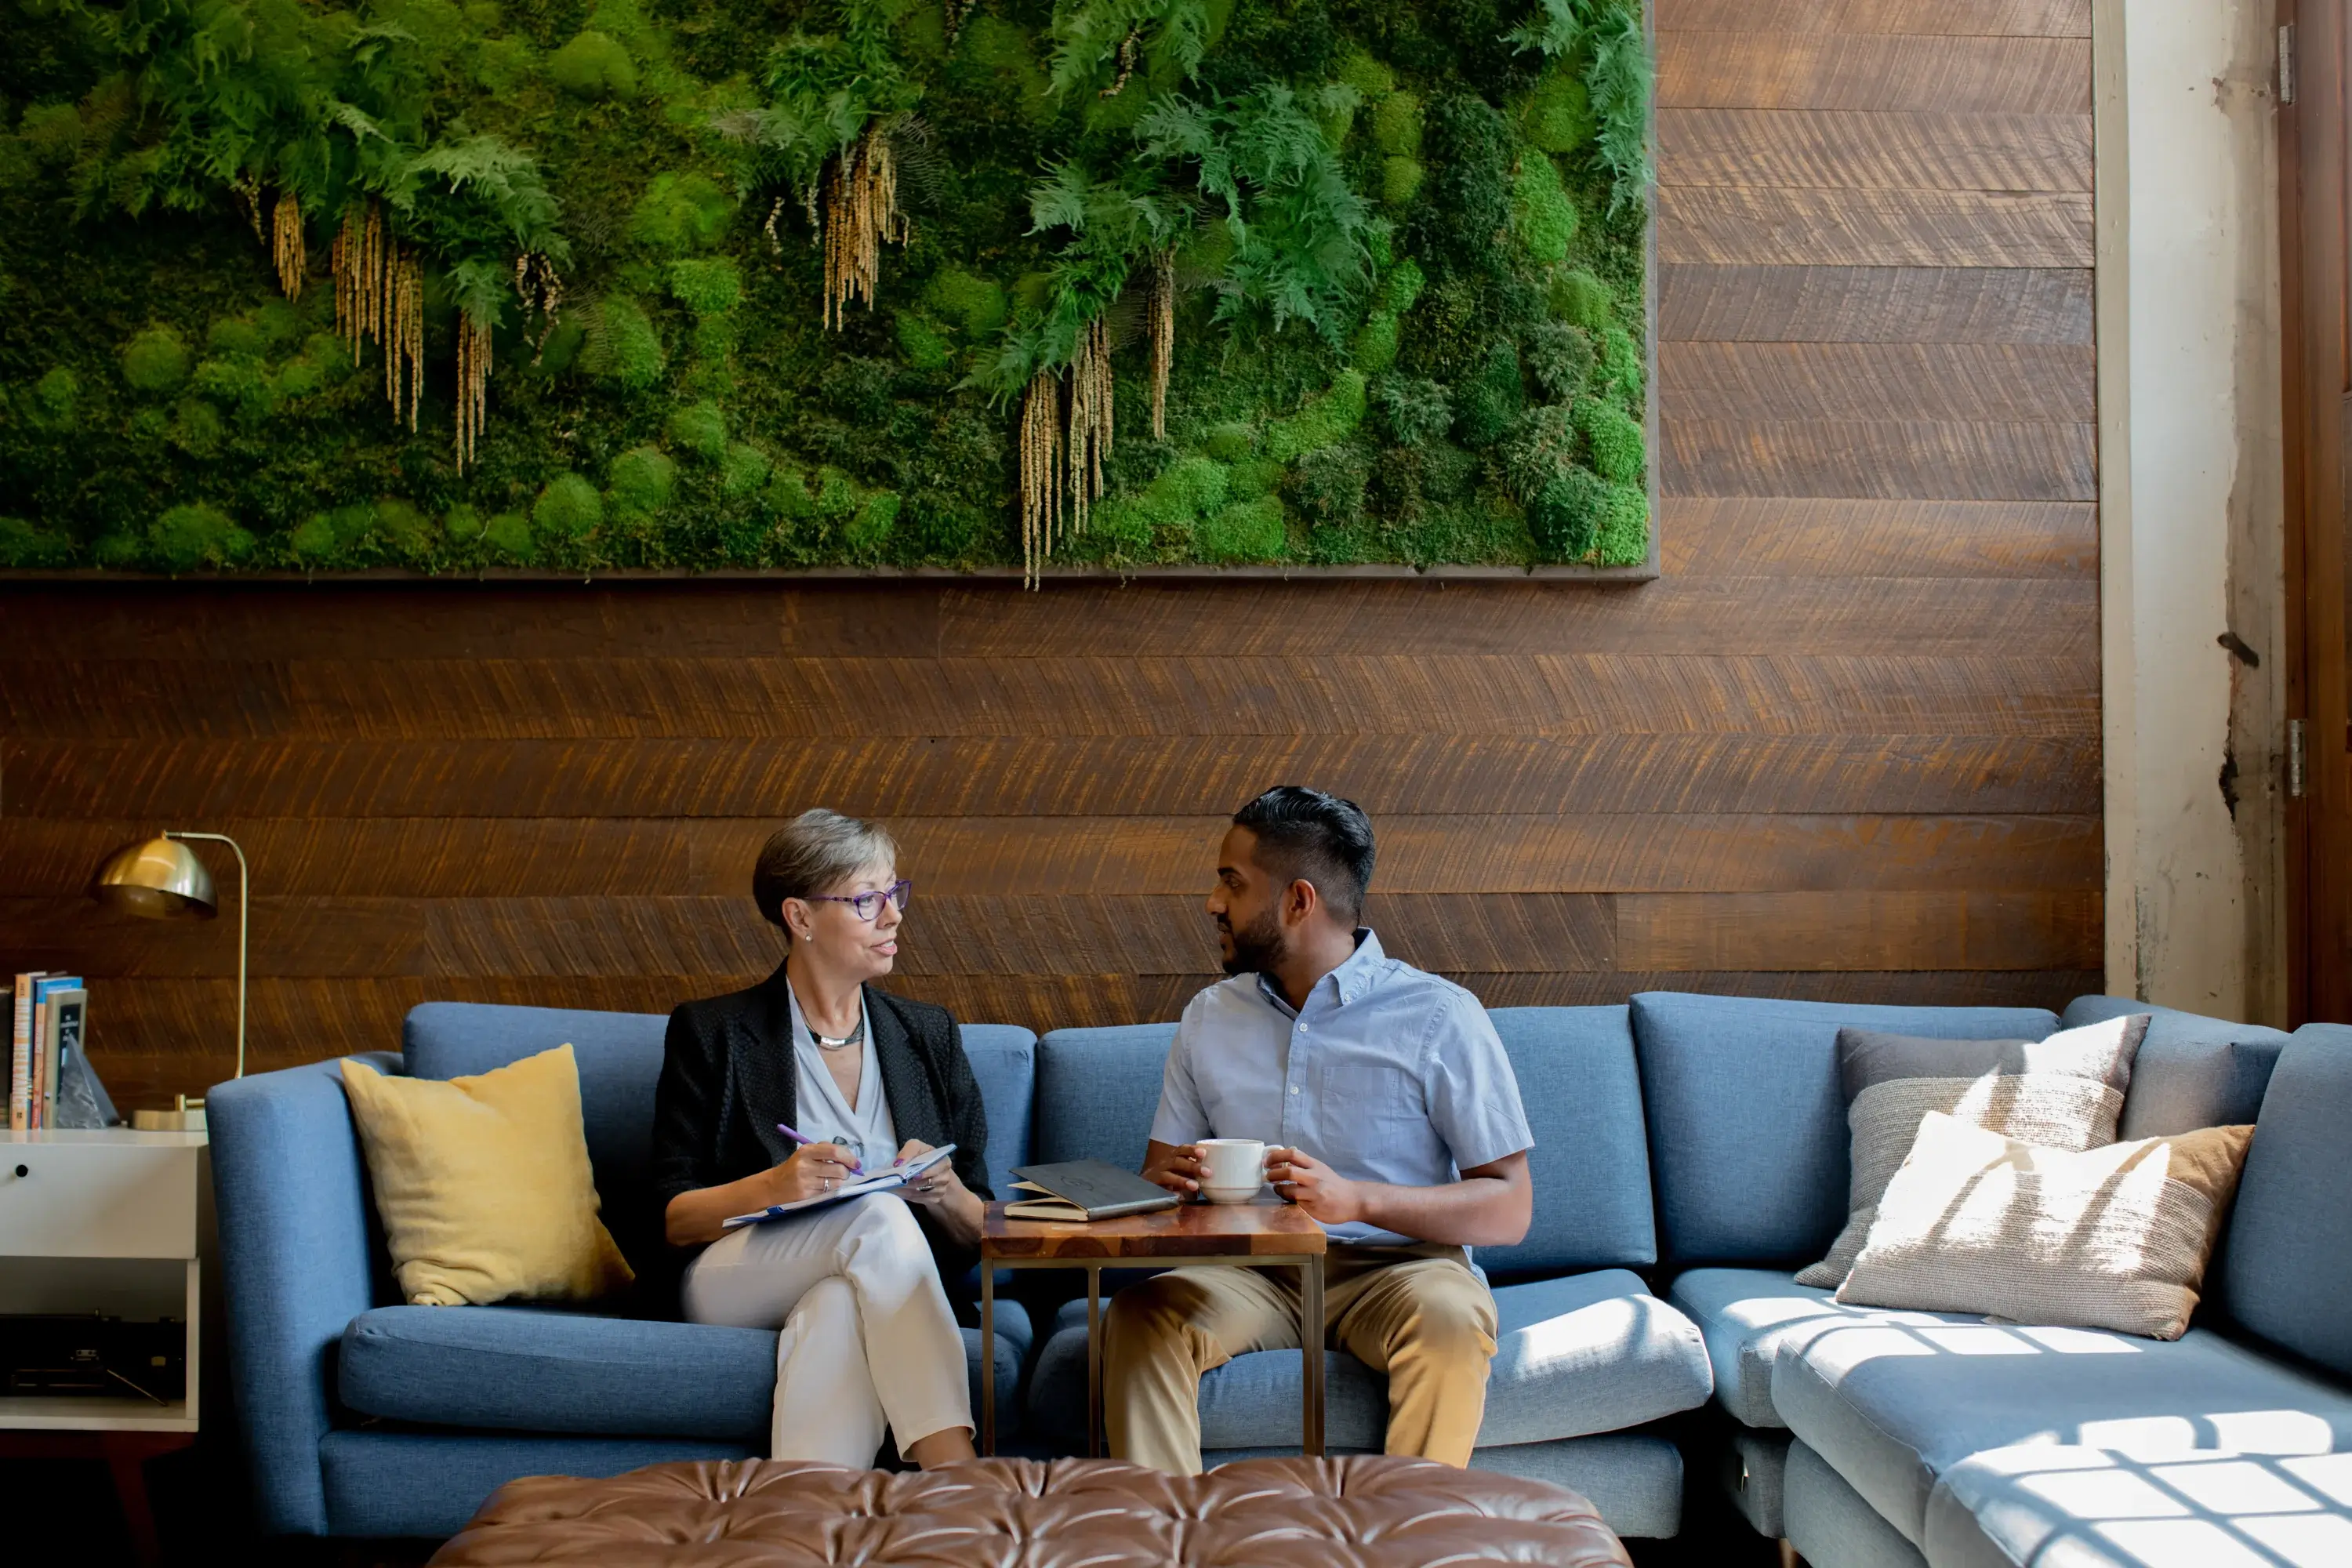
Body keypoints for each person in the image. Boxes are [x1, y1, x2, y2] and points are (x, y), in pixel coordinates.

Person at [1102, 786, 1536, 1475]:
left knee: (1452, 1318)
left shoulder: (1439, 1017)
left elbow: (1510, 1206)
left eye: (1232, 884)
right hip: (1254, 1274)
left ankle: (1405, 1544)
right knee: (1140, 1313)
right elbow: (1156, 1179)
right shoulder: (1210, 1016)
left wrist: (1360, 1201)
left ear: (1297, 902)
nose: (1214, 903)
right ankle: (1171, 1540)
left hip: (1402, 1270)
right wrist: (1167, 1188)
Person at [649, 808, 989, 1469]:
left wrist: (945, 1193)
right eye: (867, 900)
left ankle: (803, 1519)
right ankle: (957, 1474)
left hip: (865, 1271)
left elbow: (980, 1228)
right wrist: (776, 1184)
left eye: (895, 893)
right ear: (799, 918)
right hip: (732, 1276)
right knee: (879, 1212)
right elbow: (671, 1218)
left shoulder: (930, 1035)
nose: (893, 916)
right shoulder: (713, 1032)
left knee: (834, 1306)